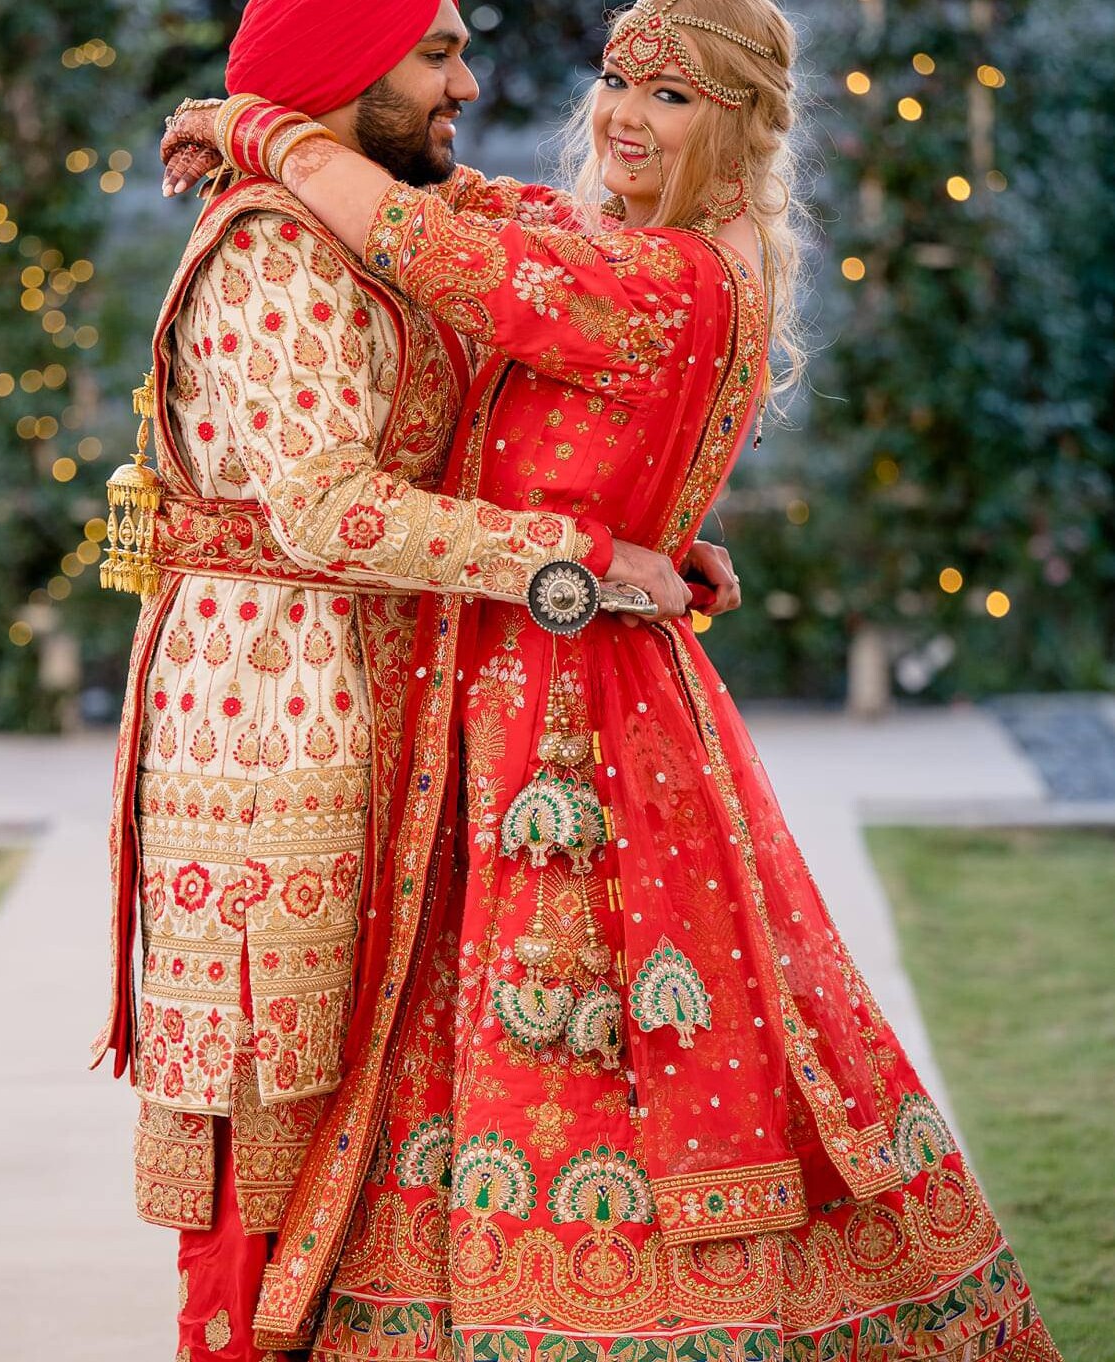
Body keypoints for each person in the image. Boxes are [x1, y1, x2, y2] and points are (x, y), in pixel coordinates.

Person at [170, 1, 1063, 1356]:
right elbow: (491, 210)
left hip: (565, 714)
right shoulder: (651, 251)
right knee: (538, 1033)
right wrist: (634, 544)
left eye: (675, 97)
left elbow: (425, 244)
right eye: (613, 81)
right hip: (566, 674)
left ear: (751, 124)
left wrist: (255, 126)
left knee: (577, 1039)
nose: (624, 118)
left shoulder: (662, 278)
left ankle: (586, 1312)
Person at [93, 2, 740, 1359]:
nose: (468, 80)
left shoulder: (381, 214)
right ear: (345, 74)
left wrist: (653, 542)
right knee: (275, 1080)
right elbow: (330, 509)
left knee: (368, 1088)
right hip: (271, 714)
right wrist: (581, 558)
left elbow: (524, 333)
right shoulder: (279, 249)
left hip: (383, 685)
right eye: (436, 54)